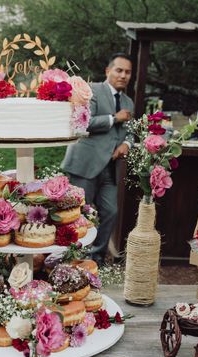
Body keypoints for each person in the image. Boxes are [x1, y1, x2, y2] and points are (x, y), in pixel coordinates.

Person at [61, 52, 134, 266]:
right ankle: (72, 258)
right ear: (108, 71)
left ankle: (96, 258)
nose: (123, 75)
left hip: (110, 168)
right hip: (85, 163)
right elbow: (82, 122)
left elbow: (130, 131)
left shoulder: (128, 101)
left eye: (127, 72)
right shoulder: (91, 91)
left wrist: (126, 144)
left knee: (111, 211)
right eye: (119, 70)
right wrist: (114, 118)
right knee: (77, 213)